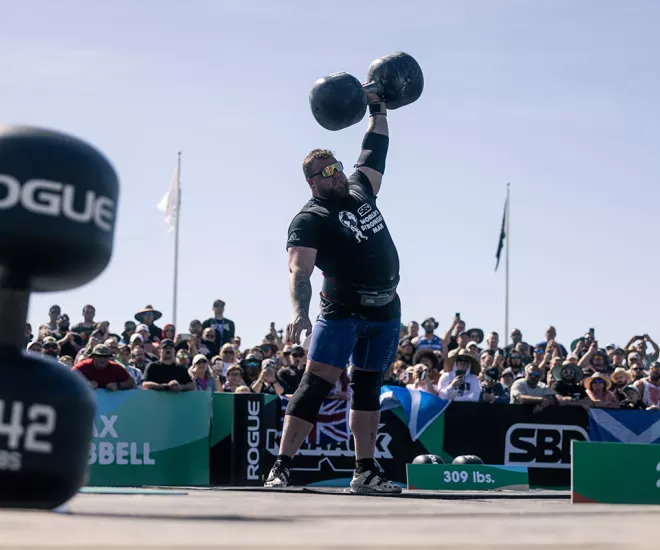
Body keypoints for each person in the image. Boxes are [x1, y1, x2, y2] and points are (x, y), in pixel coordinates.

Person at [264, 90, 402, 494]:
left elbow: (375, 148)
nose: (336, 175)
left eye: (336, 167)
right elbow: (299, 271)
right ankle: (281, 468)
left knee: (367, 388)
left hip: (385, 310)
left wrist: (377, 108)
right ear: (311, 183)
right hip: (341, 311)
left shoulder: (360, 188)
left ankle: (365, 472)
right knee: (316, 385)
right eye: (326, 173)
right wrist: (298, 313)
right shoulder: (310, 219)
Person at [71, 344, 136, 391]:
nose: (102, 359)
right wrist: (84, 385)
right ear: (93, 357)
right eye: (99, 356)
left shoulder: (116, 367)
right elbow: (66, 381)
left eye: (105, 357)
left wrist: (118, 385)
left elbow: (131, 382)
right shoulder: (82, 366)